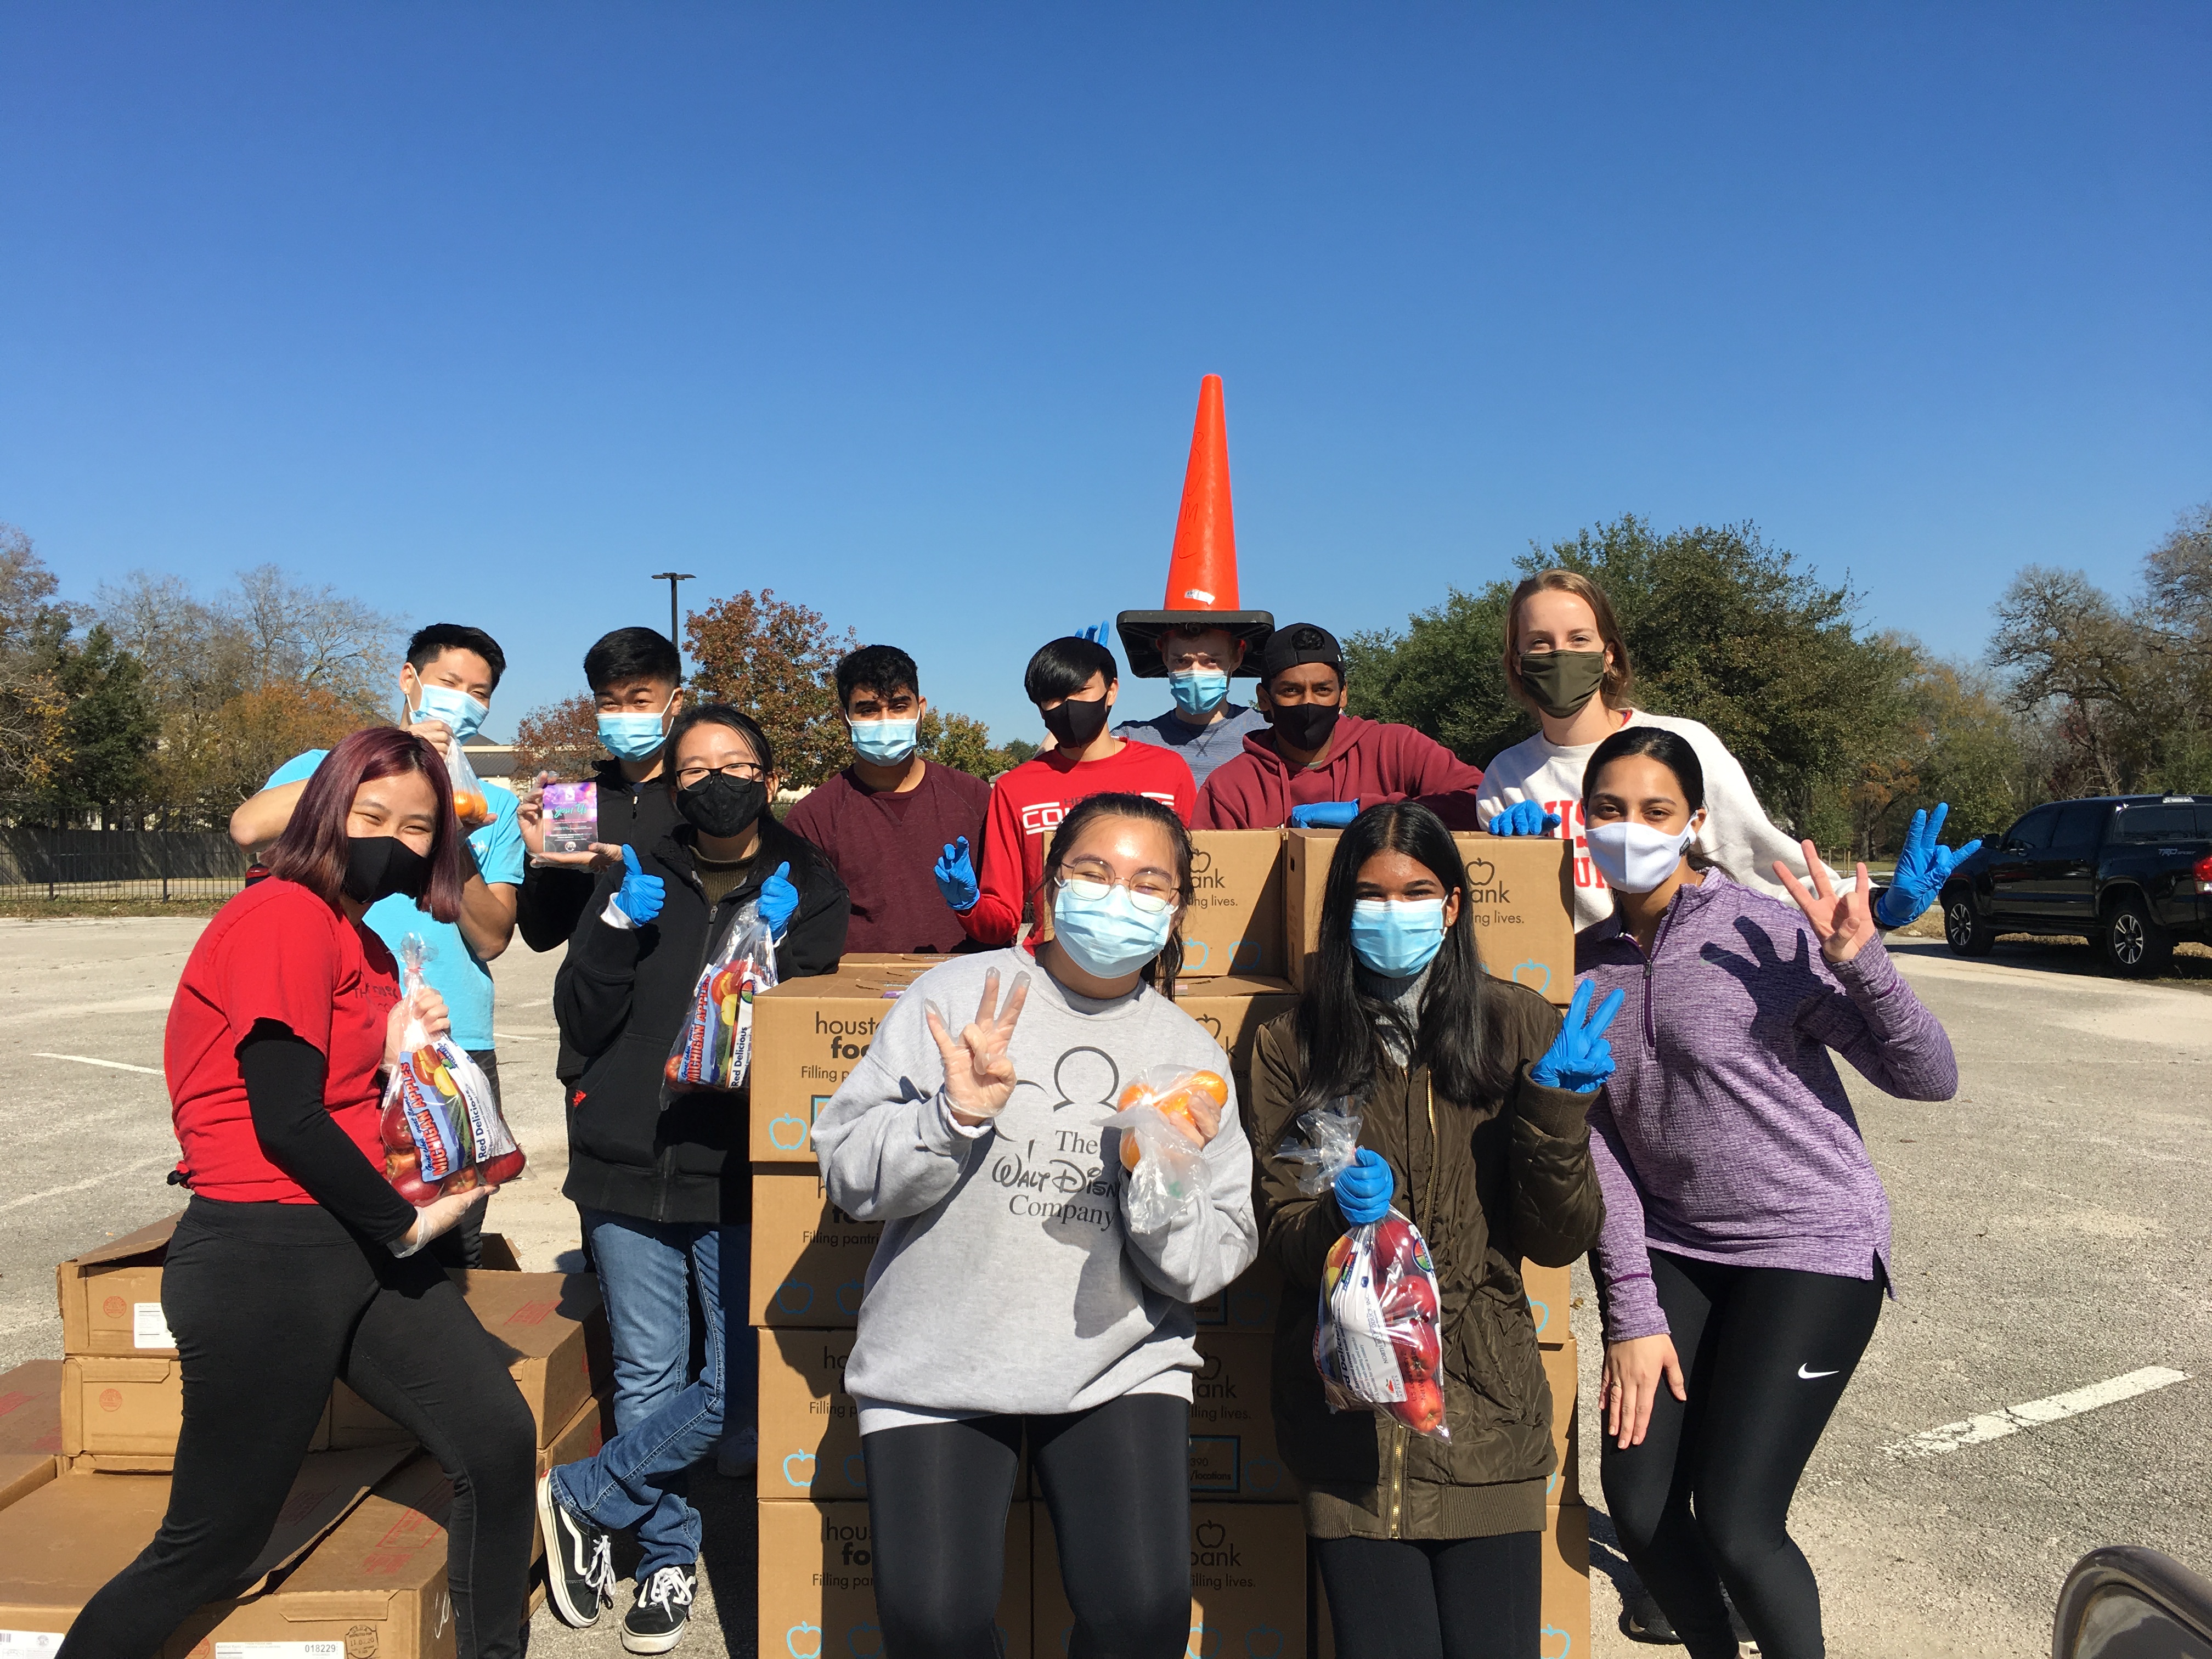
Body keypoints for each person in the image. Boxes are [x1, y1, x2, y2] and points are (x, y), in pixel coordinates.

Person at [65, 727, 537, 1659]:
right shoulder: (281, 912)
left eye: (418, 826)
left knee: (493, 1437)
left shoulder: (353, 936)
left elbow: (344, 1095)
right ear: (324, 810)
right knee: (212, 1543)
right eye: (371, 815)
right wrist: (404, 1223)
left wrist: (402, 1042)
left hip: (348, 1245)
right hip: (266, 1251)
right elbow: (284, 1116)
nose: (393, 840)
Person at [813, 793, 1258, 1659]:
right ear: (1052, 885)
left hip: (1118, 1363)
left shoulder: (1191, 1057)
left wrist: (1155, 1184)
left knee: (1142, 1617)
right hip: (935, 1357)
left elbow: (1212, 1258)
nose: (1117, 895)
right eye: (1093, 872)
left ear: (1176, 912)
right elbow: (848, 1175)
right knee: (933, 1623)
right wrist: (955, 1118)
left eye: (1147, 881)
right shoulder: (957, 997)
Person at [1573, 726, 1957, 1659]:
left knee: (1739, 1522)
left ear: (1694, 821)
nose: (1632, 828)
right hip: (1676, 1246)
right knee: (1642, 1500)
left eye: (1655, 810)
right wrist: (1630, 1308)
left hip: (1809, 1245)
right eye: (1611, 809)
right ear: (1583, 823)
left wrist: (1863, 961)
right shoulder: (1584, 963)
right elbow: (1600, 1150)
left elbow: (1928, 1075)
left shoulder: (1765, 928)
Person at [1250, 802, 1613, 1659]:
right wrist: (1339, 1222)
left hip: (1488, 1406)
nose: (1393, 912)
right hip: (1353, 1415)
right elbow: (1281, 1230)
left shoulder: (1518, 1023)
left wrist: (1556, 1115)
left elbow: (1557, 1241)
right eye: (1369, 896)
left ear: (1452, 905)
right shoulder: (1290, 1044)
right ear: (1339, 912)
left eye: (1416, 892)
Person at [538, 704, 849, 1654]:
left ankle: (584, 1491)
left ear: (769, 771)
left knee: (741, 1382)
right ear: (672, 782)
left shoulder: (810, 880)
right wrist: (614, 923)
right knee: (648, 1369)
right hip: (625, 1156)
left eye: (738, 762)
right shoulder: (636, 865)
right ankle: (666, 1555)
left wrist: (780, 953)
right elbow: (581, 1017)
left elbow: (796, 1042)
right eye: (697, 766)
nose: (718, 778)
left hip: (737, 1161)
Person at [227, 622, 523, 1266]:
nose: (462, 701)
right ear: (410, 680)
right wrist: (372, 770)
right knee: (344, 1208)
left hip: (454, 1036)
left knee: (452, 1222)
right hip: (348, 1027)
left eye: (480, 693)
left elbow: (493, 936)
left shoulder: (491, 805)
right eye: (449, 683)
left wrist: (449, 828)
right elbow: (248, 826)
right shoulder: (327, 765)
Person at [1473, 571, 1846, 929]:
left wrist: (1870, 905)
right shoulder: (1506, 777)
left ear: (1609, 655)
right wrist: (1518, 857)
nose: (1560, 656)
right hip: (1572, 986)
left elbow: (1757, 861)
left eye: (1579, 639)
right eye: (1540, 642)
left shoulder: (1685, 743)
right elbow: (1514, 914)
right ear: (1517, 662)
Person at [934, 636, 1196, 947]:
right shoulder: (1016, 788)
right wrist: (970, 906)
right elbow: (1003, 922)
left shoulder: (1168, 771)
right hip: (1049, 969)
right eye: (1053, 699)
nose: (1068, 707)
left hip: (1149, 965)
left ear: (1111, 690)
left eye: (1081, 691)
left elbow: (1197, 887)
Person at [785, 644, 990, 954]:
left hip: (965, 989)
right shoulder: (813, 818)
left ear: (921, 709)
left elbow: (1007, 909)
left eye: (898, 706)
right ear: (845, 718)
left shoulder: (975, 798)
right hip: (860, 993)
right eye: (868, 710)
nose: (885, 720)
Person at [1193, 624, 1485, 830]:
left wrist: (1373, 813)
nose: (1309, 703)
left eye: (1323, 690)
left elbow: (1480, 803)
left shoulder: (1396, 748)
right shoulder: (1231, 788)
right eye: (1291, 691)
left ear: (1343, 694)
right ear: (1264, 699)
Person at [1110, 620, 1272, 789]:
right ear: (1165, 656)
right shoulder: (1132, 740)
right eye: (1181, 661)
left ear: (1237, 657)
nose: (1195, 673)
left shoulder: (1268, 733)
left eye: (1211, 661)